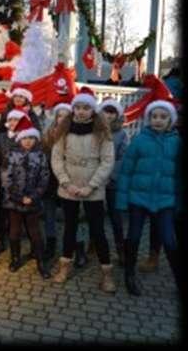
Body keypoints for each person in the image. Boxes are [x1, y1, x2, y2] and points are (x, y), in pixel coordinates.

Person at [51, 87, 116, 293]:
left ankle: (106, 273)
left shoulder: (102, 132)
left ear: (93, 110)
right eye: (77, 107)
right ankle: (64, 267)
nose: (81, 111)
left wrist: (91, 186)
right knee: (69, 228)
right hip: (68, 188)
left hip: (92, 189)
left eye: (86, 108)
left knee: (98, 231)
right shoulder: (64, 130)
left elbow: (107, 161)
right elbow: (56, 158)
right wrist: (65, 182)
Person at [116, 100, 181, 296]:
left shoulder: (177, 142)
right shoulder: (139, 141)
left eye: (163, 117)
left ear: (171, 119)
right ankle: (129, 274)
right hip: (138, 199)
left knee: (169, 241)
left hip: (165, 202)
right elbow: (126, 172)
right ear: (148, 119)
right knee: (134, 237)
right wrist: (121, 200)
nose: (158, 120)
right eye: (154, 116)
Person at [2, 116, 51, 279]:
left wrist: (34, 196)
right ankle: (15, 258)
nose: (28, 141)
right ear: (19, 139)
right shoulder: (11, 155)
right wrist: (18, 197)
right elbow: (6, 178)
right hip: (14, 201)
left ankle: (40, 261)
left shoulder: (41, 156)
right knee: (14, 232)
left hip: (33, 202)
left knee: (35, 232)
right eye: (25, 138)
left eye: (31, 138)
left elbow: (44, 178)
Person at [96, 98, 129, 265]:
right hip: (95, 180)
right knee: (95, 215)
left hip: (112, 182)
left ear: (117, 115)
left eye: (112, 112)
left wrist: (109, 176)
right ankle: (93, 246)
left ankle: (120, 248)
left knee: (115, 217)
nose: (108, 115)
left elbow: (122, 159)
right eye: (105, 112)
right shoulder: (95, 130)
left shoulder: (122, 134)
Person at [41, 103, 72, 261]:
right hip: (50, 181)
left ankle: (75, 247)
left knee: (71, 217)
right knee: (49, 215)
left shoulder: (74, 135)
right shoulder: (48, 135)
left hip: (68, 180)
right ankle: (50, 245)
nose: (62, 119)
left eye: (66, 115)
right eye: (60, 115)